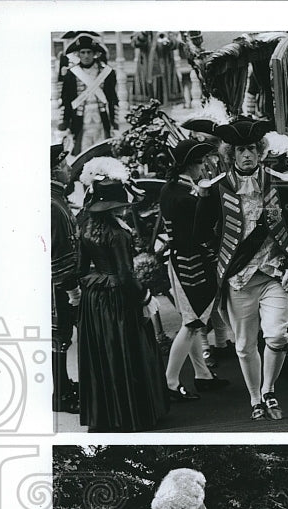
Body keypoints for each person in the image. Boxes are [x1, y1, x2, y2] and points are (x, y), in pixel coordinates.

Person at [195, 118, 288, 421]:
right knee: (243, 345)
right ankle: (255, 398)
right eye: (241, 150)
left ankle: (268, 388)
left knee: (278, 336)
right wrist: (217, 260)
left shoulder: (279, 182)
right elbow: (200, 236)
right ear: (231, 154)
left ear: (260, 151)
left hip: (275, 273)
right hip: (238, 277)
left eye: (252, 149)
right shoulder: (215, 189)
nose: (247, 155)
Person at [77, 177, 169, 431]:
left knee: (104, 353)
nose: (126, 208)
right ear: (115, 208)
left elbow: (81, 270)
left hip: (94, 300)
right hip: (118, 300)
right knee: (127, 349)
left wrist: (95, 285)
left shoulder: (86, 229)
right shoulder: (118, 234)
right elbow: (126, 275)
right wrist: (145, 297)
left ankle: (107, 415)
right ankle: (131, 414)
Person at [159, 138, 230, 401]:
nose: (203, 169)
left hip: (180, 259)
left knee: (194, 322)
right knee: (190, 324)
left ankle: (202, 375)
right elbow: (201, 232)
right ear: (190, 166)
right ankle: (170, 381)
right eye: (200, 163)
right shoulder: (186, 197)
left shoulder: (171, 189)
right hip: (191, 263)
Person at [50, 143, 80, 414]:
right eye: (65, 165)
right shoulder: (53, 204)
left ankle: (65, 385)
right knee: (59, 335)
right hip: (59, 283)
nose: (70, 169)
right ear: (54, 170)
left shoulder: (56, 197)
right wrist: (71, 290)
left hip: (61, 281)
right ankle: (59, 395)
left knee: (63, 336)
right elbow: (59, 254)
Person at [61, 34, 118, 155]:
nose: (86, 56)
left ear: (94, 53)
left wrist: (114, 122)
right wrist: (65, 122)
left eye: (89, 52)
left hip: (101, 118)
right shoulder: (72, 74)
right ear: (78, 54)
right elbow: (66, 100)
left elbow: (112, 98)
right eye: (83, 52)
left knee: (102, 150)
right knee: (83, 152)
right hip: (81, 118)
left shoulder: (106, 72)